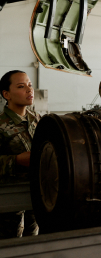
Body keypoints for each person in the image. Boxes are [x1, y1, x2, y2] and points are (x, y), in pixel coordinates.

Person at [0, 70, 41, 239]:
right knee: (10, 242)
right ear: (6, 94)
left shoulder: (38, 120)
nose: (29, 90)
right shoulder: (1, 124)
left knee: (33, 238)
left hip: (35, 194)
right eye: (21, 86)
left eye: (30, 85)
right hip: (8, 200)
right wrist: (16, 160)